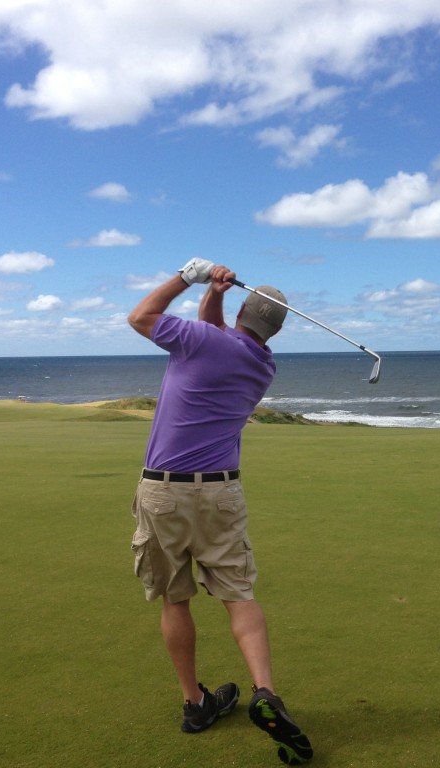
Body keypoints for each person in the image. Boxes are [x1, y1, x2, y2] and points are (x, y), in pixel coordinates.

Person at [127, 257, 313, 766]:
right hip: (222, 493)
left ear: (244, 311)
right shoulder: (261, 364)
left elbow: (141, 317)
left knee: (174, 599)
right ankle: (266, 694)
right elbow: (219, 335)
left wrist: (188, 279)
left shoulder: (206, 343)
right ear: (274, 328)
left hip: (165, 492)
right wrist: (216, 292)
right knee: (239, 596)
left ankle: (194, 703)